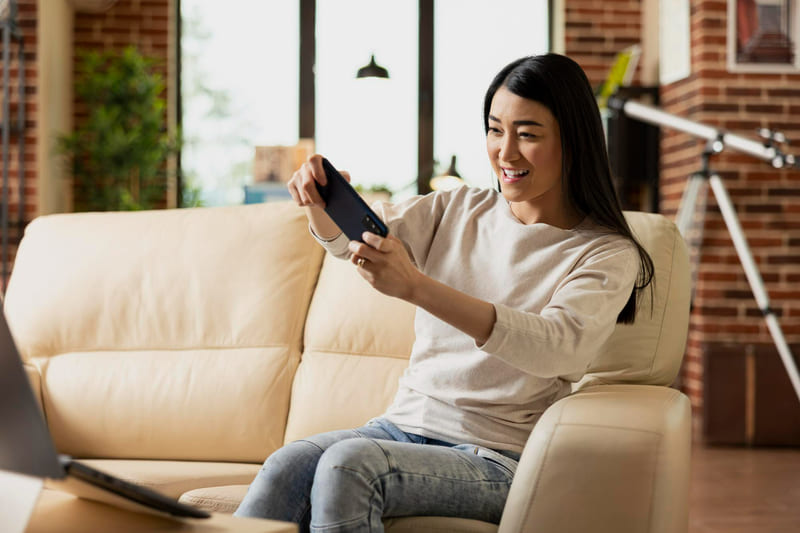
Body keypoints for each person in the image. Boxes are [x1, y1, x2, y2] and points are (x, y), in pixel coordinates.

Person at [234, 53, 654, 532]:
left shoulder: (605, 253)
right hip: (401, 428)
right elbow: (353, 239)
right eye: (495, 130)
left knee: (348, 465)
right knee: (288, 465)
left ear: (574, 141)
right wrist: (320, 202)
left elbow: (557, 347)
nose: (506, 152)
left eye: (529, 134)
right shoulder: (457, 207)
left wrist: (418, 288)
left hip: (498, 456)